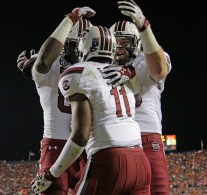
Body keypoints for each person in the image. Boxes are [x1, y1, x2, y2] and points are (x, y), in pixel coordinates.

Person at [31, 25, 151, 195]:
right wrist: (131, 74)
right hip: (140, 163)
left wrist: (51, 174)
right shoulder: (122, 73)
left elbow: (80, 136)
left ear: (85, 46)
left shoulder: (80, 73)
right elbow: (138, 99)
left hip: (109, 158)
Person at [16, 7, 95, 195]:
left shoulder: (49, 65)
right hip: (72, 143)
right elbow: (42, 62)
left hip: (74, 143)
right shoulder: (95, 69)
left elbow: (42, 61)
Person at [102, 0, 172, 194]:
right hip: (114, 141)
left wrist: (143, 26)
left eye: (125, 41)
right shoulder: (103, 67)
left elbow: (158, 70)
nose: (119, 47)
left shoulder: (144, 60)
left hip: (146, 136)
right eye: (116, 42)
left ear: (137, 43)